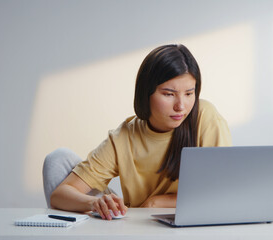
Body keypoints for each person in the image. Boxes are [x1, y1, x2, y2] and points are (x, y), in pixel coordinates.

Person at [49, 44, 232, 220]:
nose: (181, 106)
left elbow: (220, 192)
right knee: (58, 159)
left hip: (187, 221)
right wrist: (95, 203)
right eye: (169, 94)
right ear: (146, 93)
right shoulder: (124, 136)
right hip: (136, 224)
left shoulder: (205, 117)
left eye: (189, 93)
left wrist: (156, 202)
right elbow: (59, 195)